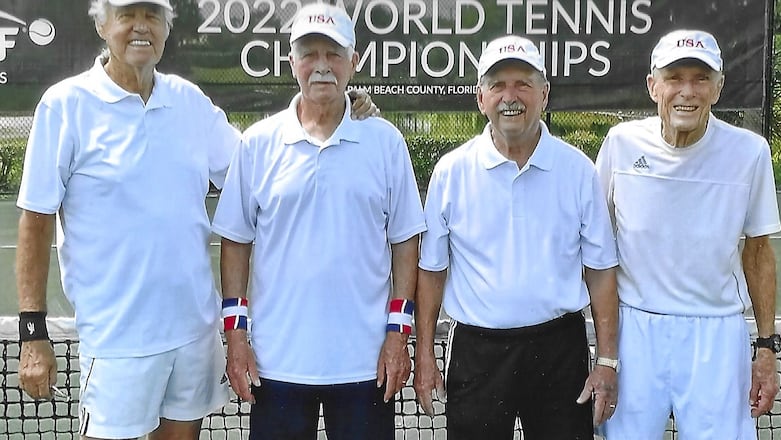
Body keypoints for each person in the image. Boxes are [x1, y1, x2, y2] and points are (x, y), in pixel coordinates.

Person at [15, 1, 376, 439]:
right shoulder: (65, 105)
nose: (140, 28)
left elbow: (257, 164)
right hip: (116, 342)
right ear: (102, 24)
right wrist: (32, 332)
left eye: (152, 17)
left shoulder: (188, 101)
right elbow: (35, 219)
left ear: (166, 30)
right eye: (128, 15)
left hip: (192, 335)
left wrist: (331, 109)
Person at [211, 3, 426, 440]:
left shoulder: (385, 141)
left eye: (334, 54)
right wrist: (236, 339)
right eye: (310, 54)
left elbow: (405, 243)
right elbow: (235, 244)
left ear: (354, 61)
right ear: (292, 62)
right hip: (276, 366)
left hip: (367, 365)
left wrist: (397, 335)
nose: (322, 67)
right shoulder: (257, 144)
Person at [414, 35, 620, 439]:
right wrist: (424, 354)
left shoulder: (578, 171)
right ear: (481, 98)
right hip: (477, 353)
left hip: (560, 349)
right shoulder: (451, 172)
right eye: (497, 85)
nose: (511, 96)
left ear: (544, 94)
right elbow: (432, 272)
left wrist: (608, 361)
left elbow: (600, 272)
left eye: (523, 83)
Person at [595, 29, 781, 439]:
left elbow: (758, 253)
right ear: (652, 86)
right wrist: (604, 353)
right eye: (674, 77)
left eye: (701, 79)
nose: (687, 91)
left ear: (718, 88)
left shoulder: (751, 152)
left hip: (717, 334)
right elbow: (597, 251)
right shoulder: (620, 144)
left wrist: (767, 346)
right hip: (635, 334)